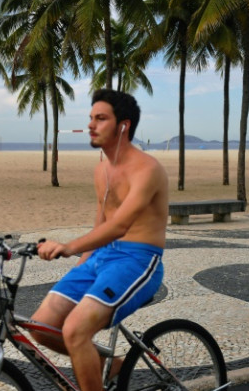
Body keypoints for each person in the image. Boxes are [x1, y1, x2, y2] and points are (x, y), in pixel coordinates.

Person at [32, 89, 168, 391]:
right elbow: (102, 219)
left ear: (123, 126)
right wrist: (82, 263)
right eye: (91, 118)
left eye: (101, 118)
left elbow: (120, 225)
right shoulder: (101, 170)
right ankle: (112, 366)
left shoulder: (148, 169)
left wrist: (69, 247)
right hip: (100, 259)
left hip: (138, 259)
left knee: (76, 330)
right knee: (41, 326)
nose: (92, 124)